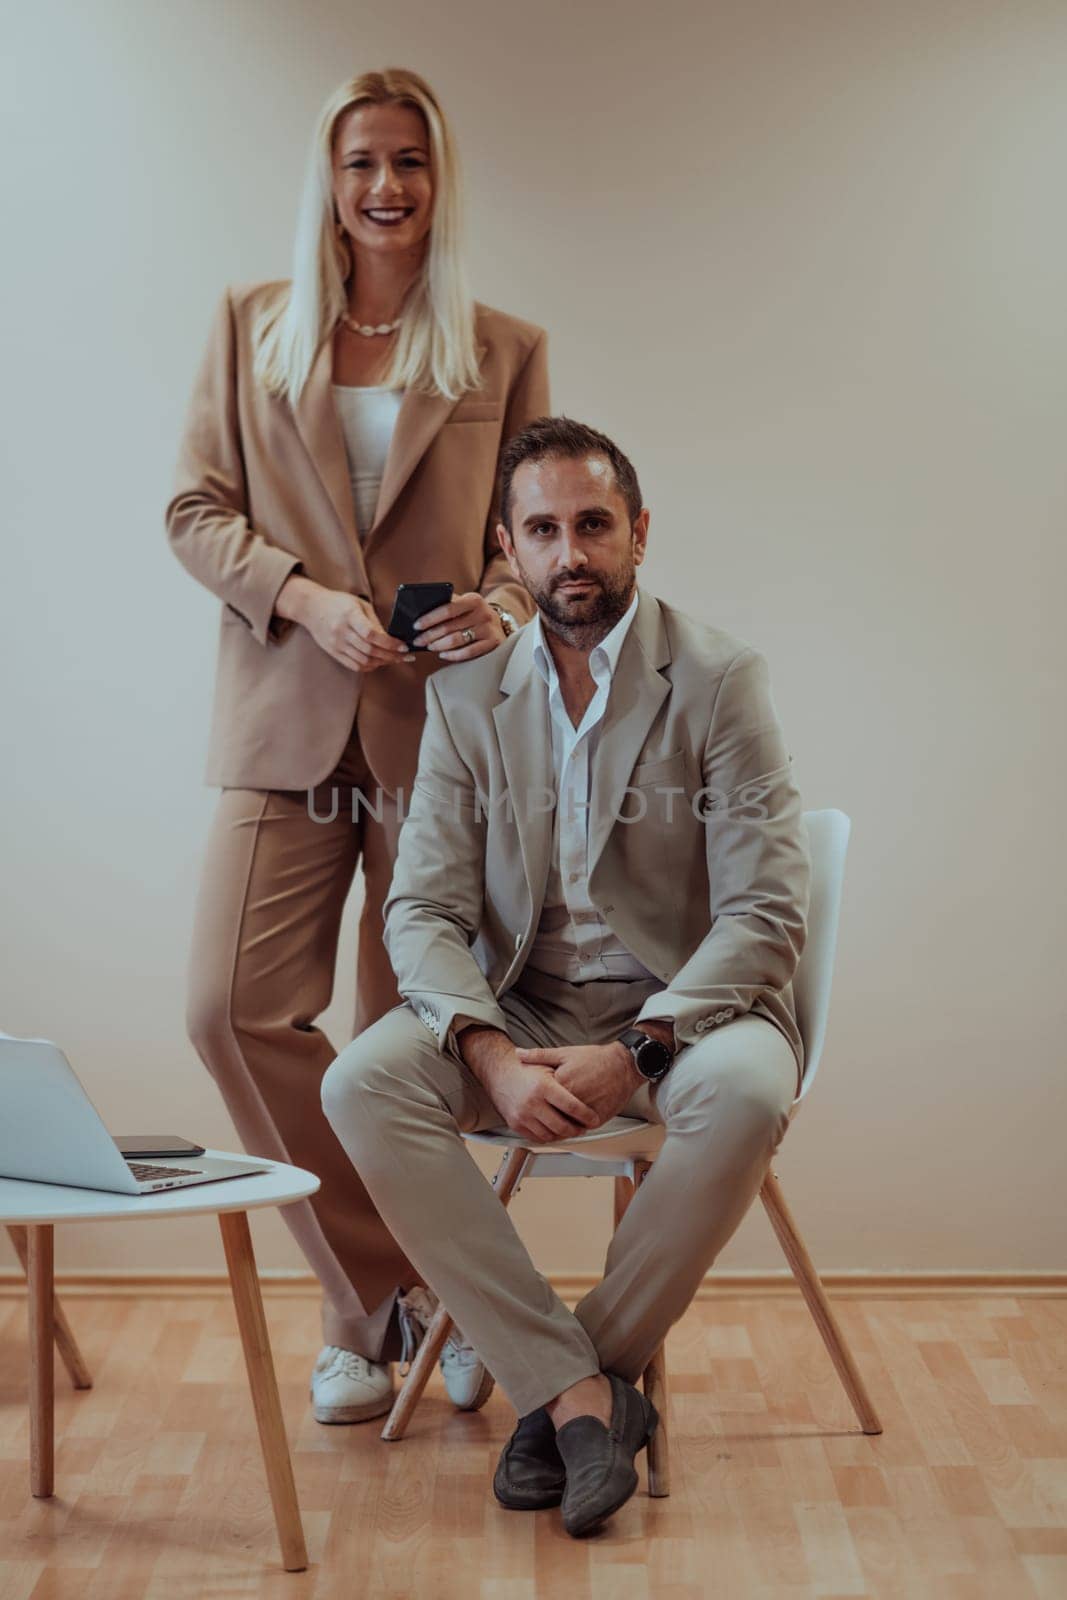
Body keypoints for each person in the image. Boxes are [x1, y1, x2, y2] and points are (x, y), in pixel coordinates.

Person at [320, 415, 811, 1536]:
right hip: (521, 1002)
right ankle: (583, 1392)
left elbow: (764, 912)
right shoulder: (465, 696)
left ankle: (559, 1387)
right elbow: (424, 908)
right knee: (359, 1082)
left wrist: (638, 1045)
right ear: (510, 543)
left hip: (685, 1004)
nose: (569, 553)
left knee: (743, 1093)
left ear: (637, 533)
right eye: (542, 530)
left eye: (592, 525)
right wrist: (484, 1052)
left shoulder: (719, 679)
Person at [165, 67, 548, 1426]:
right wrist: (300, 597)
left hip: (437, 735)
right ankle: (386, 1291)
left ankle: (394, 1311)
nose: (384, 188)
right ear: (327, 183)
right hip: (283, 712)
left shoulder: (499, 347)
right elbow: (194, 507)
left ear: (438, 181)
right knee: (228, 1008)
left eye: (408, 163)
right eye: (360, 164)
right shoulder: (251, 324)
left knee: (402, 1036)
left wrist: (497, 610)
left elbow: (531, 535)